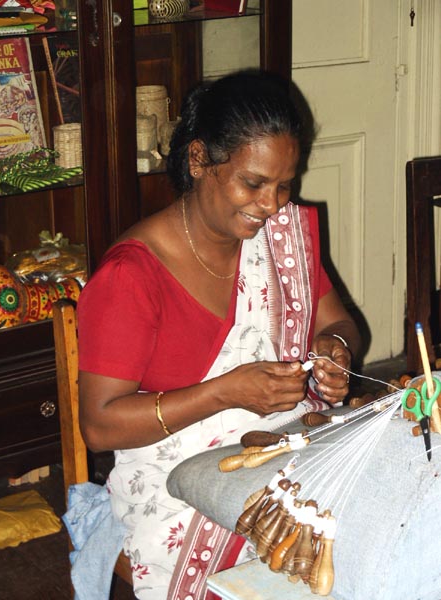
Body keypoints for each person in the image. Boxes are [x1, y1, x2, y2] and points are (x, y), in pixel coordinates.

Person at [76, 69, 361, 600]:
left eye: (284, 185)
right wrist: (222, 394)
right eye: (253, 184)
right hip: (174, 487)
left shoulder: (280, 241)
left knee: (369, 531)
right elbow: (100, 426)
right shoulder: (131, 278)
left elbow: (337, 322)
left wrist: (335, 352)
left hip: (279, 451)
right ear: (198, 159)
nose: (274, 205)